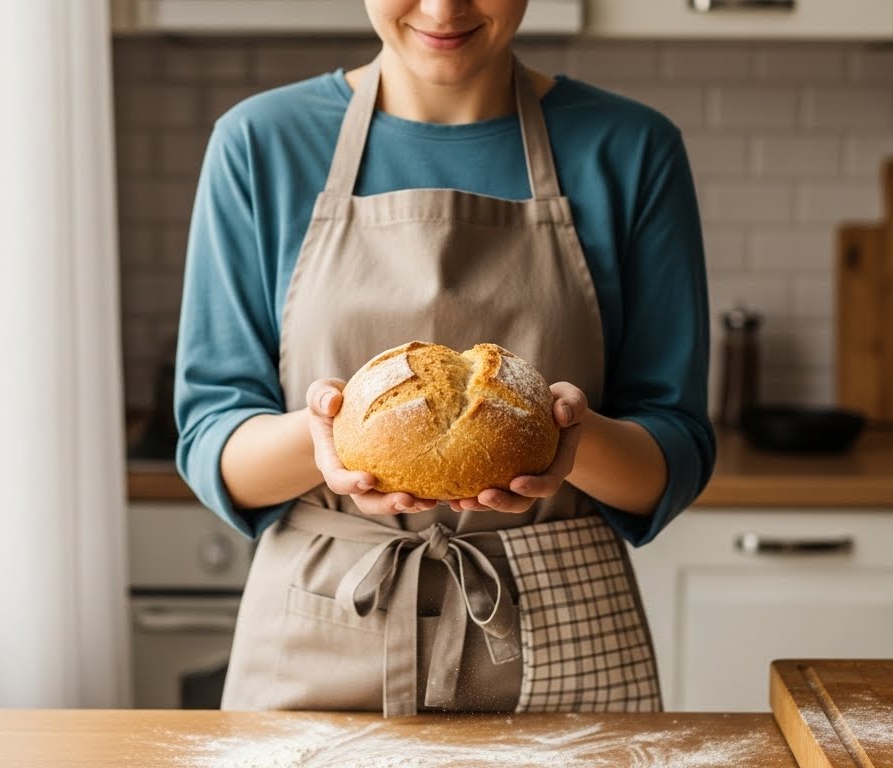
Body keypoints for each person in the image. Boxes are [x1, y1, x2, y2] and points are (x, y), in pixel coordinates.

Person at [174, 0, 716, 717]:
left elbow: (673, 454)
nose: (442, 8)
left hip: (558, 630)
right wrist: (329, 439)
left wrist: (565, 441)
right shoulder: (260, 142)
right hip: (323, 621)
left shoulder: (630, 147)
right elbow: (212, 440)